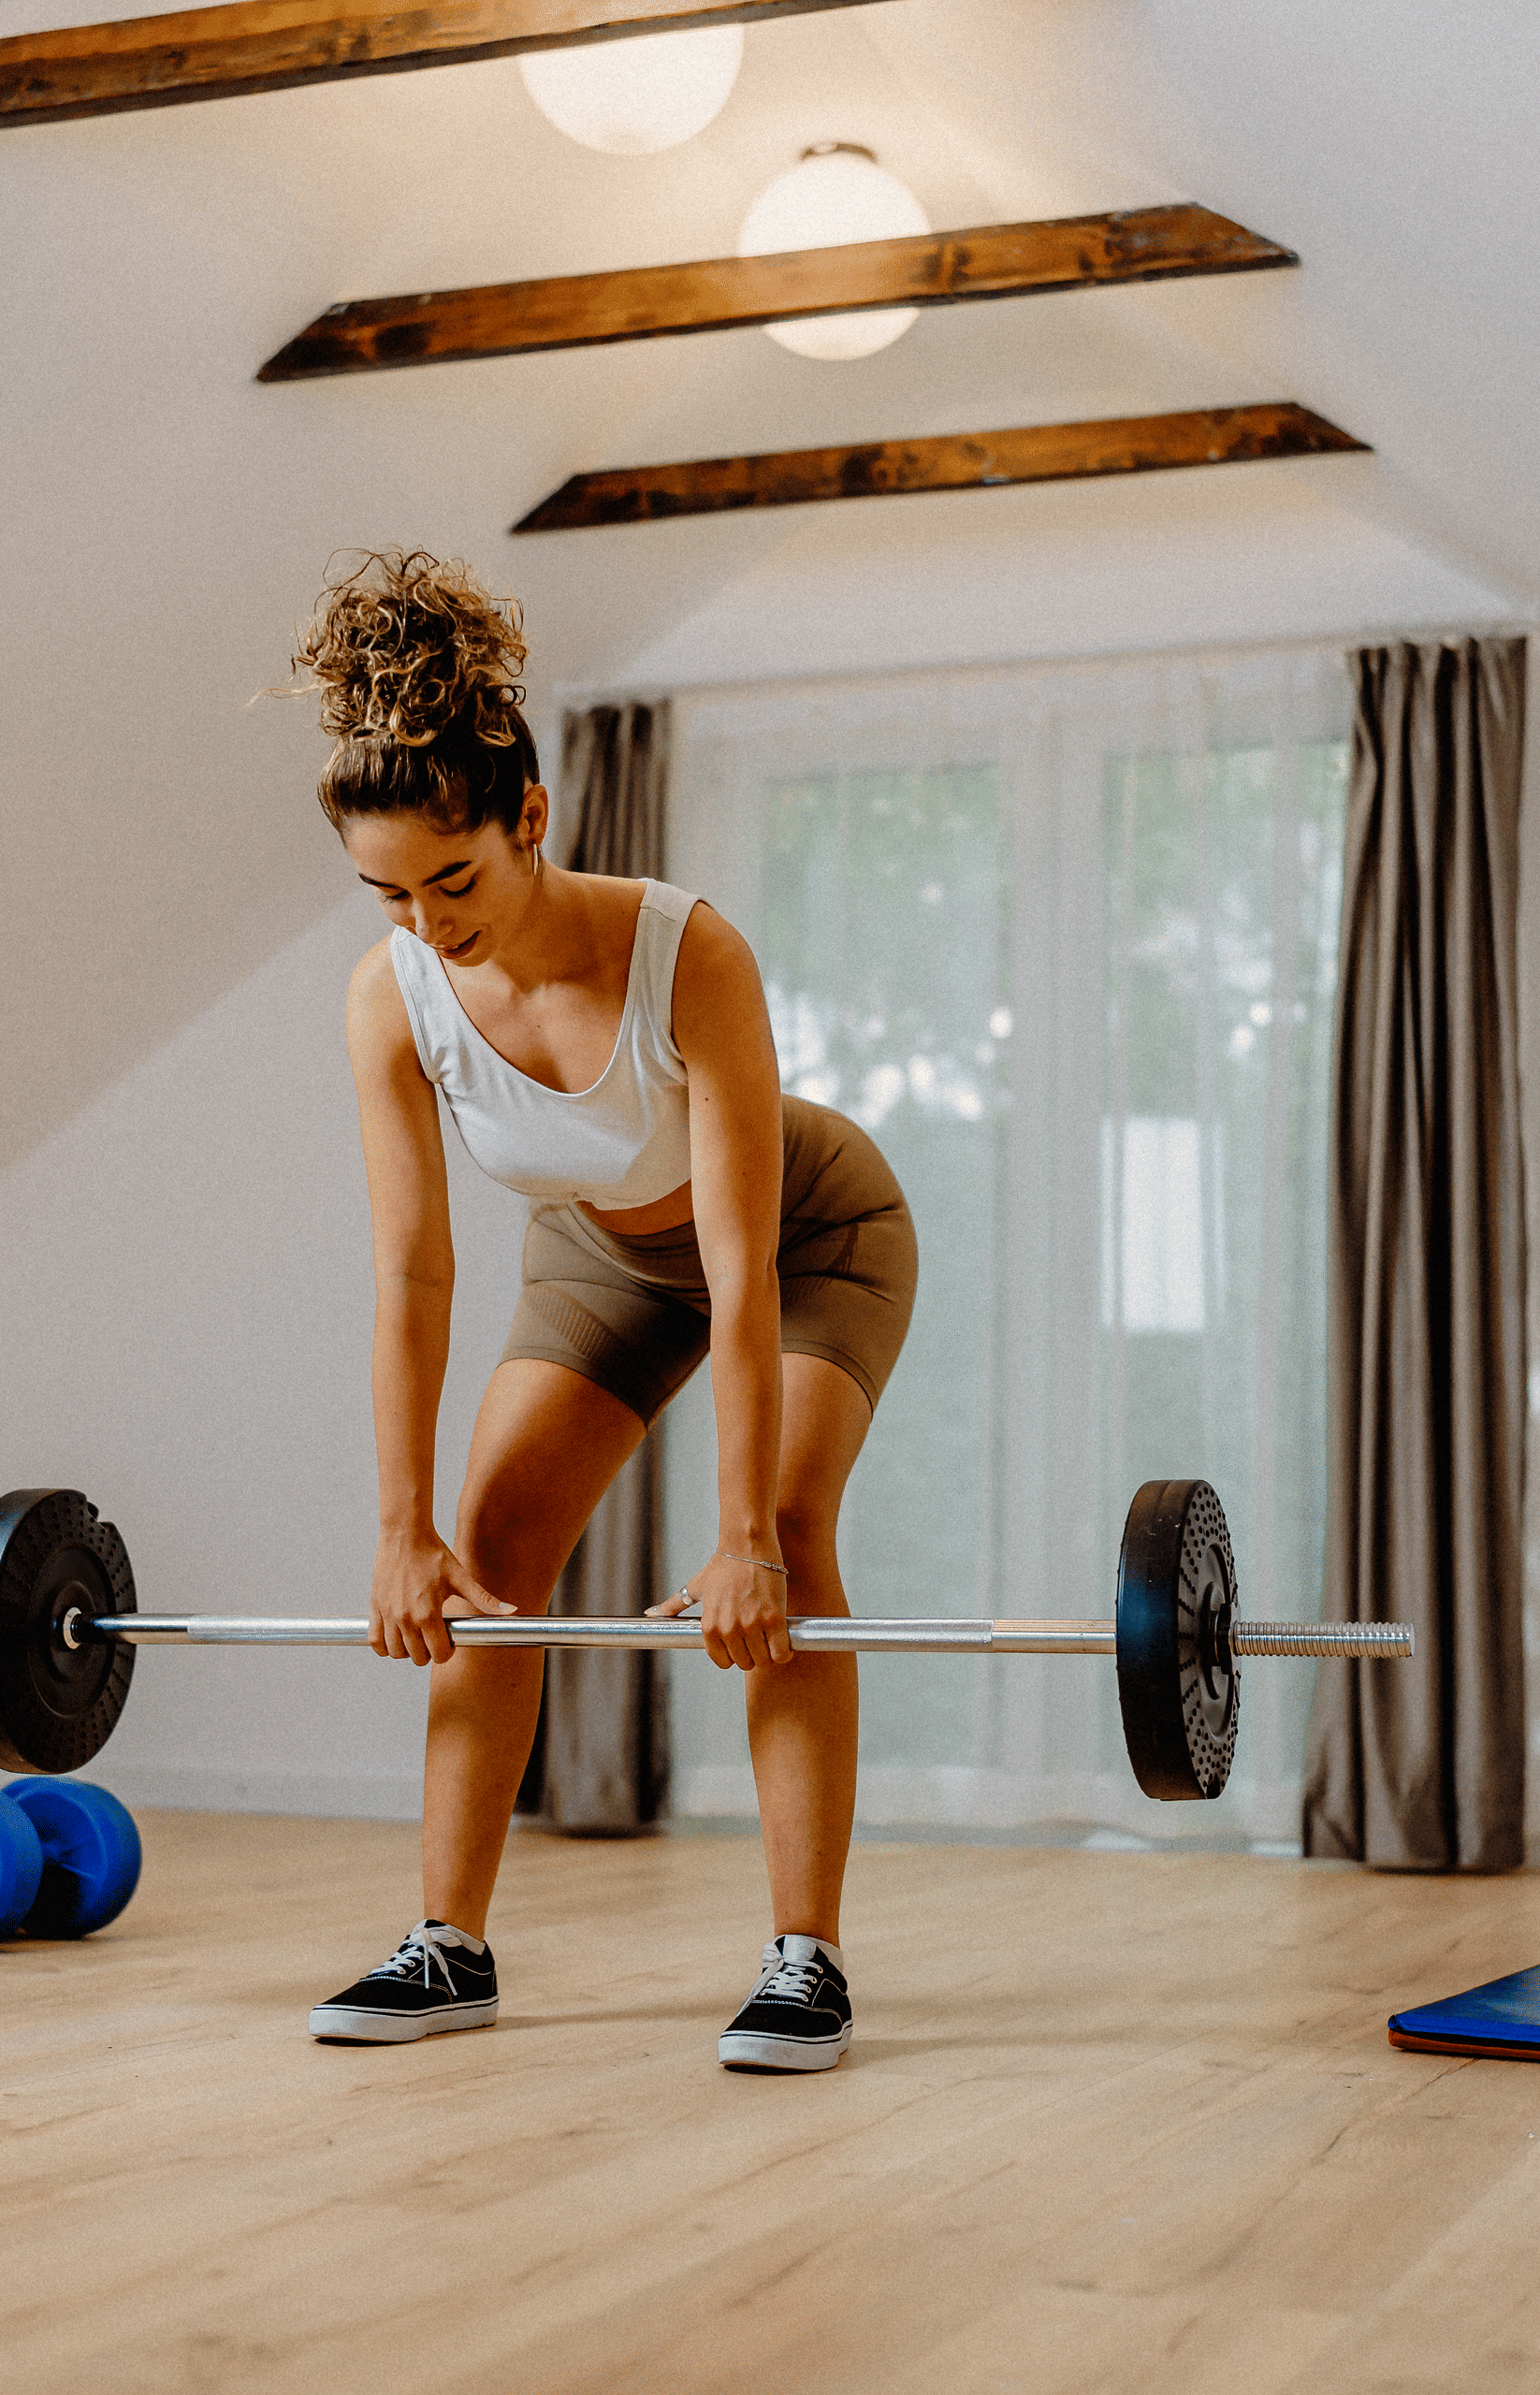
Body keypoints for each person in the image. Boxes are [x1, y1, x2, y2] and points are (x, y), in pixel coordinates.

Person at [289, 550, 916, 2074]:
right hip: (598, 1254)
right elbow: (415, 1278)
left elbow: (740, 1255)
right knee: (491, 1557)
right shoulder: (394, 999)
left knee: (791, 1532)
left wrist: (746, 1543)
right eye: (389, 893)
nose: (430, 925)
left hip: (806, 1236)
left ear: (530, 821)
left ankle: (804, 1958)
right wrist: (400, 1529)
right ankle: (450, 1944)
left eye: (457, 880)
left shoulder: (684, 953)